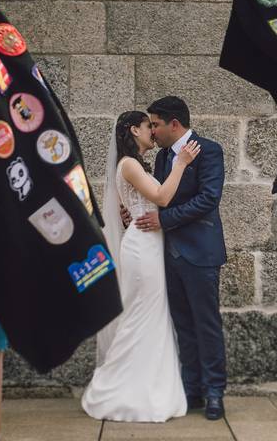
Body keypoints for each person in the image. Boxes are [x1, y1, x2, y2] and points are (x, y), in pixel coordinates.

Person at [82, 110, 199, 422]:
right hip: (142, 247)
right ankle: (120, 388)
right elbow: (161, 197)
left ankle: (150, 387)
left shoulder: (135, 164)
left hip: (149, 243)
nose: (153, 132)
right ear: (134, 130)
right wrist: (181, 163)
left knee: (152, 313)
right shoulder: (129, 164)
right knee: (141, 313)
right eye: (149, 126)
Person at [133, 96, 229, 420]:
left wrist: (164, 219)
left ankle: (214, 392)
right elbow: (160, 196)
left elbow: (208, 199)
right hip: (168, 253)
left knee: (206, 324)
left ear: (174, 124)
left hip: (200, 252)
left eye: (156, 124)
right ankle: (192, 390)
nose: (153, 131)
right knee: (183, 325)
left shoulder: (209, 151)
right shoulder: (163, 157)